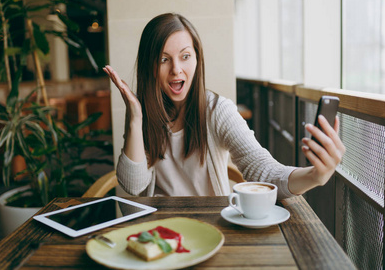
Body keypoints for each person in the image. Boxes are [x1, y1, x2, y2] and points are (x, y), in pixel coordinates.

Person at [103, 13, 345, 198]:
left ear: (197, 59)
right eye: (164, 59)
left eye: (185, 56)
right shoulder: (143, 112)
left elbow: (263, 170)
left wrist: (315, 175)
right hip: (163, 234)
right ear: (151, 67)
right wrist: (135, 117)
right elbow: (133, 186)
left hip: (214, 230)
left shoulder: (217, 110)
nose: (176, 69)